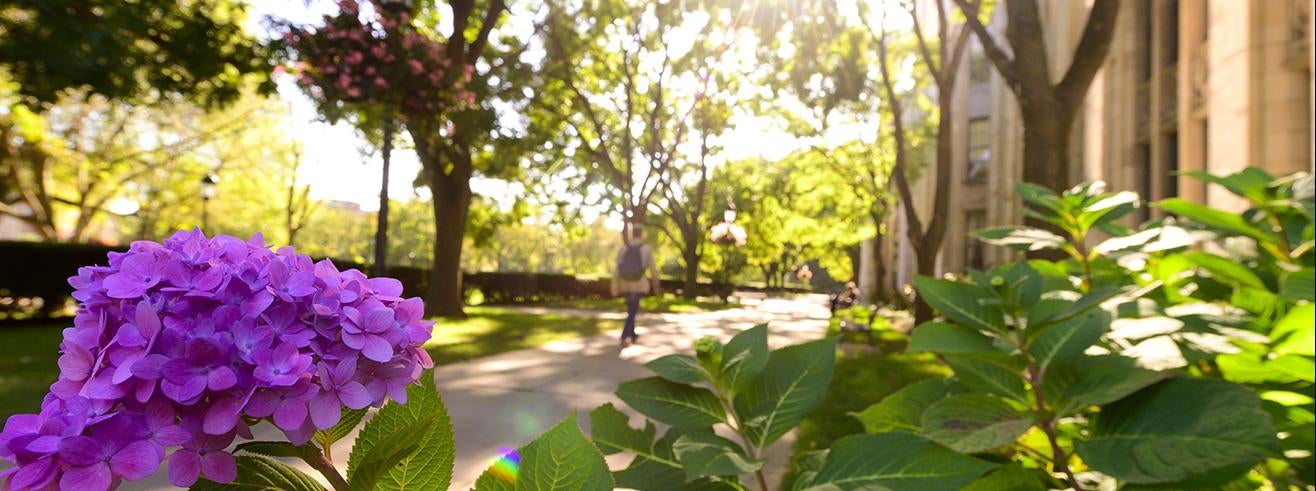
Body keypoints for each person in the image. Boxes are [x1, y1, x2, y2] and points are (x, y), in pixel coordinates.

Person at [611, 223, 660, 348]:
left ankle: (632, 334)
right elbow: (653, 269)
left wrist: (614, 284)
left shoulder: (624, 248)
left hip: (625, 284)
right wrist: (656, 285)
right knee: (632, 310)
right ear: (641, 233)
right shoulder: (646, 249)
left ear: (632, 233)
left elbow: (617, 268)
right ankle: (625, 335)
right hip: (638, 284)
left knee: (631, 308)